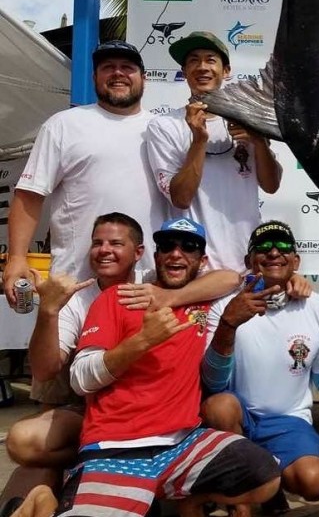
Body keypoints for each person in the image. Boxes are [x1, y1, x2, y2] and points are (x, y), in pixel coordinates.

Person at [1, 214, 241, 512]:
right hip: (98, 412)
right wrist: (48, 311)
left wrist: (169, 295)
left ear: (139, 253)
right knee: (22, 442)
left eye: (116, 243)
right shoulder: (76, 297)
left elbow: (230, 278)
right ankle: (87, 473)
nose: (104, 250)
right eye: (97, 243)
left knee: (223, 407)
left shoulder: (153, 281)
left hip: (161, 412)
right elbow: (44, 370)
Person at [50, 217, 281, 516]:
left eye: (189, 247)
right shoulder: (117, 298)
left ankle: (179, 501)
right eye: (167, 246)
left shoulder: (204, 303)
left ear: (202, 261)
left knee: (265, 475)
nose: (176, 253)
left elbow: (214, 376)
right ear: (155, 256)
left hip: (183, 444)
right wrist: (142, 341)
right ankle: (49, 498)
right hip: (116, 448)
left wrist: (226, 324)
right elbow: (80, 379)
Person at [201, 220, 319, 513]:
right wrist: (228, 325)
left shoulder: (317, 306)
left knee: (314, 484)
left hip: (289, 422)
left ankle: (264, 478)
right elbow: (213, 383)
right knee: (220, 406)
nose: (274, 252)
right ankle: (252, 495)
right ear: (248, 261)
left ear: (296, 261)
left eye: (283, 246)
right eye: (263, 247)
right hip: (238, 420)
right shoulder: (224, 306)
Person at [3, 41, 166, 305]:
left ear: (144, 79)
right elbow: (29, 196)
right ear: (94, 77)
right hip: (74, 288)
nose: (118, 73)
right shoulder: (63, 125)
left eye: (127, 67)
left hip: (148, 286)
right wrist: (17, 258)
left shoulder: (165, 130)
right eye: (108, 67)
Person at [146, 31, 282, 270]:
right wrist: (199, 139)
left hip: (247, 261)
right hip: (193, 265)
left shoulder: (249, 120)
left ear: (226, 70)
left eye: (210, 59)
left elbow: (271, 185)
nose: (202, 67)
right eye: (193, 61)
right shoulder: (164, 125)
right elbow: (181, 198)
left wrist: (259, 142)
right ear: (184, 72)